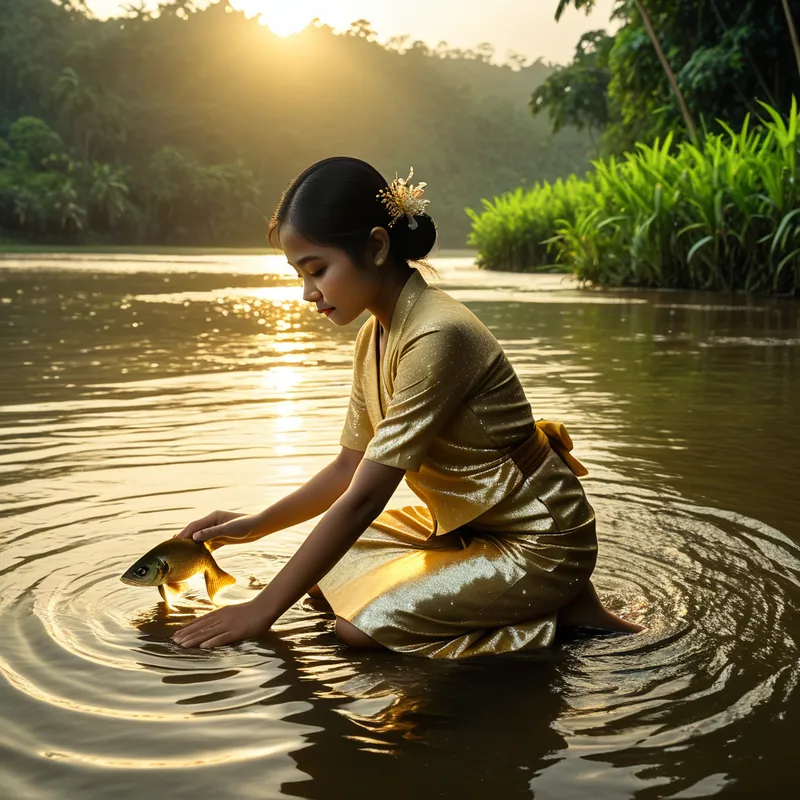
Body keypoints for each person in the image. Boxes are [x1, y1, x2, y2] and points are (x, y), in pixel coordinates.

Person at [172, 157, 643, 656]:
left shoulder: (439, 334)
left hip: (539, 538)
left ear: (376, 246)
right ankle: (553, 607)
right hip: (466, 525)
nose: (308, 293)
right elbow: (348, 468)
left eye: (317, 271)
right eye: (298, 274)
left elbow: (365, 497)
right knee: (322, 581)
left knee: (359, 630)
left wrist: (262, 610)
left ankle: (560, 617)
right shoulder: (374, 333)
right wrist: (254, 524)